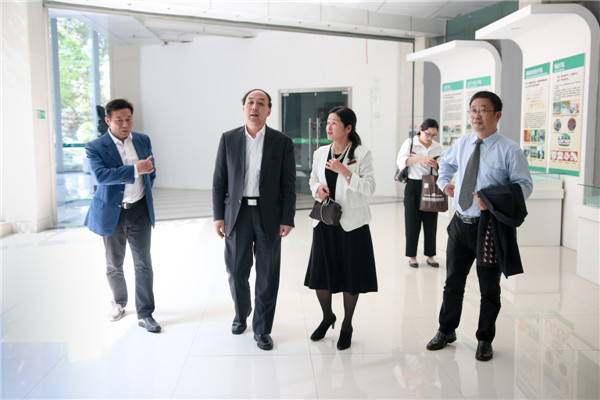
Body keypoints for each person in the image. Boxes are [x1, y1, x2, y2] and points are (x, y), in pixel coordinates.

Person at [426, 91, 533, 361]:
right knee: (453, 282)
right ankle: (446, 330)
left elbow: (524, 187)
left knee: (489, 288)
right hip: (460, 224)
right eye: (473, 110)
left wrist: (493, 201)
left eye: (483, 110)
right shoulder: (463, 143)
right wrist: (444, 184)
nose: (476, 115)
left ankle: (485, 339)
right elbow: (445, 165)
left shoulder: (509, 150)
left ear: (497, 115)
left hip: (489, 228)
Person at [212, 89, 296, 351]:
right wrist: (218, 216)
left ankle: (262, 328)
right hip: (237, 215)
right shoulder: (228, 139)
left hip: (268, 214)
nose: (255, 107)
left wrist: (287, 217)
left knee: (267, 274)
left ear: (269, 110)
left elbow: (289, 184)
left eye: (261, 103)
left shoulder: (281, 142)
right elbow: (219, 181)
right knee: (236, 271)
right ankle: (241, 313)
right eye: (250, 102)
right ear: (243, 108)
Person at [85, 98, 161, 333]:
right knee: (114, 264)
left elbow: (151, 172)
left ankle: (146, 313)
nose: (125, 124)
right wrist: (135, 169)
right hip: (112, 212)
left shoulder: (142, 140)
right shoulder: (95, 147)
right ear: (108, 121)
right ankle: (118, 302)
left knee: (143, 263)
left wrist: (142, 178)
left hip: (139, 210)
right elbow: (101, 176)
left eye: (129, 119)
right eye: (119, 120)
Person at [304, 106, 377, 350]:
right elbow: (313, 179)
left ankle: (347, 325)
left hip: (352, 225)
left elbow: (370, 187)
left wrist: (345, 171)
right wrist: (318, 189)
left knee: (350, 277)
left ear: (348, 128)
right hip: (325, 222)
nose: (328, 127)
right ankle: (327, 317)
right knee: (321, 276)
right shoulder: (320, 153)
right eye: (328, 122)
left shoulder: (361, 153)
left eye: (334, 123)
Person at [396, 119, 442, 268]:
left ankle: (430, 255)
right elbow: (401, 161)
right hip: (413, 185)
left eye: (433, 135)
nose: (430, 138)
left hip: (431, 184)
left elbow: (443, 168)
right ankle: (412, 256)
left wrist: (436, 165)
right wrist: (420, 159)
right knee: (412, 222)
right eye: (428, 134)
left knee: (431, 223)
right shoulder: (410, 143)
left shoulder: (437, 147)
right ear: (421, 130)